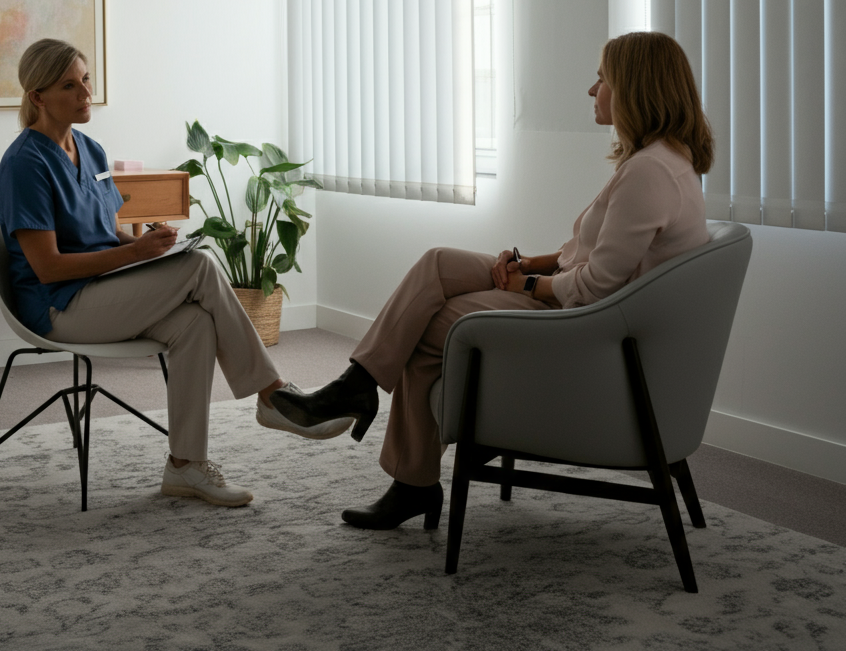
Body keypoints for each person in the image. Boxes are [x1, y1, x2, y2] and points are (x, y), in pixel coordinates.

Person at [270, 31, 714, 530]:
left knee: (426, 326)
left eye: (602, 79)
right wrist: (528, 264)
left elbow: (593, 288)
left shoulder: (649, 173)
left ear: (635, 88)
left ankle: (401, 466)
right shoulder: (660, 162)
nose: (592, 90)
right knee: (438, 261)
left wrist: (523, 287)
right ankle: (360, 388)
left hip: (583, 325)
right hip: (572, 301)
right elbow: (586, 254)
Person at [0, 38, 350, 509]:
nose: (85, 93)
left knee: (196, 323)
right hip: (59, 306)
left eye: (86, 80)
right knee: (200, 266)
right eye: (69, 85)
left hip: (102, 291)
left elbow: (105, 231)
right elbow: (48, 266)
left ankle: (185, 467)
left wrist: (151, 248)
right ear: (37, 97)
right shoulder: (25, 164)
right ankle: (275, 396)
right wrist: (136, 253)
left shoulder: (91, 150)